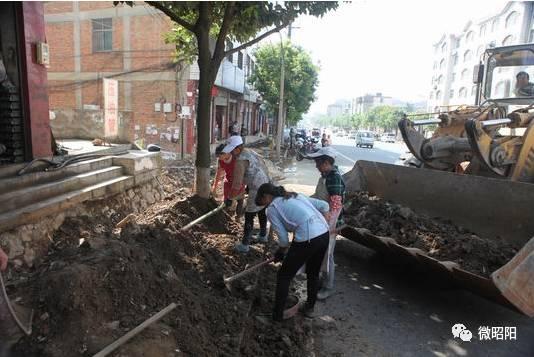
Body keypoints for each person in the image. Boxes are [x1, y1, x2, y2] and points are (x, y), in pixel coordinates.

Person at [255, 183, 330, 321]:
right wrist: (320, 225)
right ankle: (310, 308)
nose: (263, 206)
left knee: (284, 276)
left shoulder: (272, 208)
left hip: (308, 238)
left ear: (266, 196)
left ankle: (277, 316)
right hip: (324, 233)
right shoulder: (295, 195)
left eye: (262, 201)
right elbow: (324, 205)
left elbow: (283, 239)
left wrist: (280, 252)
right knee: (313, 273)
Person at [306, 146, 345, 300]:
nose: (316, 166)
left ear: (327, 162)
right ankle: (322, 280)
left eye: (318, 163)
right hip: (322, 220)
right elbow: (318, 196)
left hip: (331, 223)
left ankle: (328, 287)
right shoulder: (325, 175)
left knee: (327, 255)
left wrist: (331, 226)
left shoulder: (334, 178)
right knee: (321, 253)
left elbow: (336, 206)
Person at [224, 136, 272, 253]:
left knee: (249, 215)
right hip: (268, 185)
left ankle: (244, 244)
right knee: (262, 210)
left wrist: (229, 198)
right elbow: (263, 166)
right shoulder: (251, 152)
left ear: (239, 148)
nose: (231, 152)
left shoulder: (240, 161)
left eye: (232, 150)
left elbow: (236, 184)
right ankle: (263, 235)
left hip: (257, 189)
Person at [211, 144, 245, 215]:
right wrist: (215, 186)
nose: (219, 158)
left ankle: (238, 217)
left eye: (220, 156)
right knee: (226, 201)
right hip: (228, 181)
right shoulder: (221, 161)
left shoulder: (237, 158)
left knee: (239, 199)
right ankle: (227, 216)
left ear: (226, 153)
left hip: (239, 181)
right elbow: (219, 173)